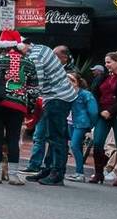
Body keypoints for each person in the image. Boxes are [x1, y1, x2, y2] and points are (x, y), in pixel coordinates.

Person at [0, 31, 39, 185]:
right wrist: (29, 107)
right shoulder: (28, 62)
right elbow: (34, 88)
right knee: (13, 138)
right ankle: (13, 175)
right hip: (17, 105)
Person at [22, 40, 77, 184]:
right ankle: (48, 169)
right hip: (55, 96)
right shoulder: (41, 48)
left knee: (57, 137)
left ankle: (57, 173)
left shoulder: (35, 57)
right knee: (51, 135)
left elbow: (36, 83)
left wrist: (25, 99)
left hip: (57, 97)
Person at [88, 52, 117, 186]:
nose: (106, 64)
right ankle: (98, 173)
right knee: (98, 142)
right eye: (106, 62)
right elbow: (94, 93)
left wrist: (111, 111)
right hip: (102, 114)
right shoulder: (102, 78)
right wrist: (100, 110)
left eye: (109, 62)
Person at [66, 72, 98, 182]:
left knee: (75, 146)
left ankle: (80, 173)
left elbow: (93, 112)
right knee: (75, 146)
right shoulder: (68, 93)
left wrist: (91, 125)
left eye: (71, 81)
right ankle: (79, 172)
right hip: (71, 122)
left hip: (81, 123)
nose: (69, 83)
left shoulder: (85, 94)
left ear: (77, 82)